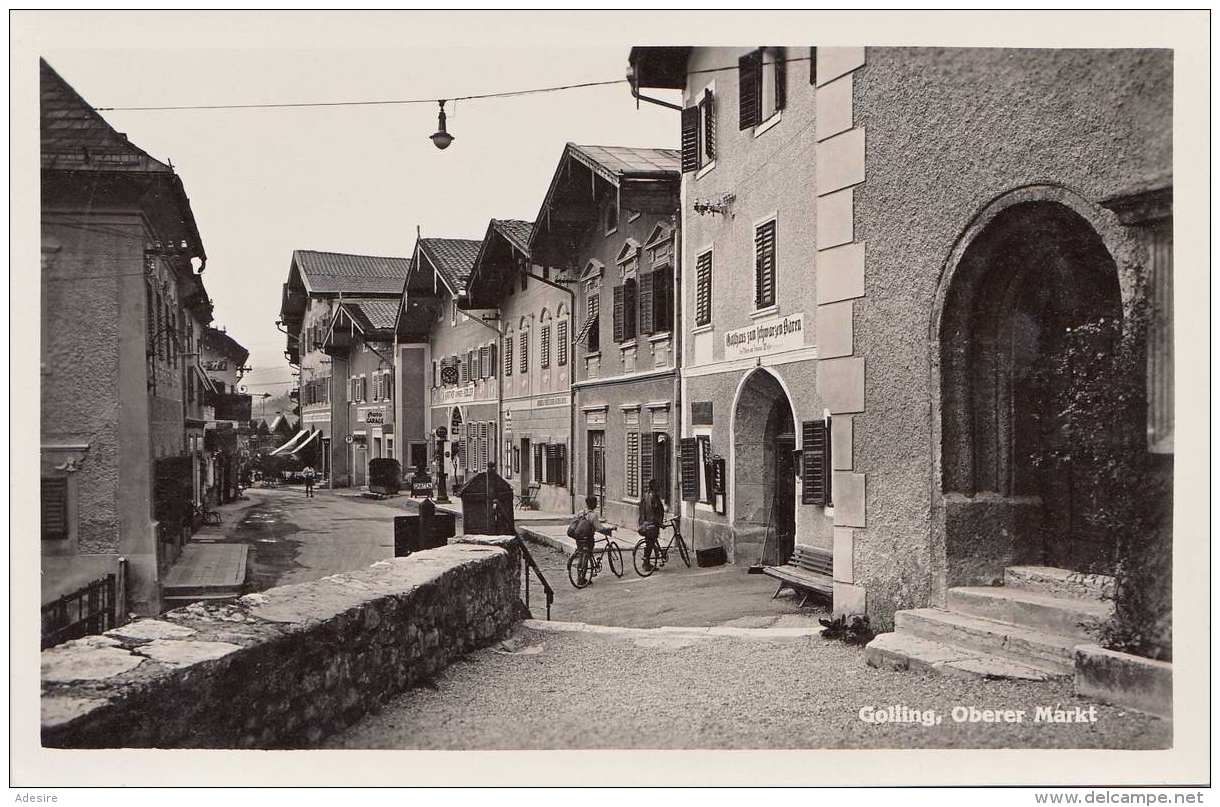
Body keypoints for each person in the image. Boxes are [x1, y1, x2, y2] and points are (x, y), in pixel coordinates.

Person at [569, 495, 614, 585]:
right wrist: (610, 529)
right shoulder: (593, 515)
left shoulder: (581, 513)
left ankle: (579, 577)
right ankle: (582, 579)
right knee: (587, 556)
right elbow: (600, 528)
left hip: (578, 538)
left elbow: (574, 523)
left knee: (581, 555)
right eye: (596, 502)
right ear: (593, 504)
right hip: (588, 539)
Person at [637, 478, 666, 571]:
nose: (659, 487)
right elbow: (655, 513)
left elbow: (641, 509)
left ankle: (647, 561)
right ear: (653, 486)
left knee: (649, 542)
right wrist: (660, 524)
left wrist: (642, 522)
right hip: (652, 524)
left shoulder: (645, 496)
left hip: (645, 523)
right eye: (657, 486)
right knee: (650, 543)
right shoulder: (654, 497)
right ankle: (646, 563)